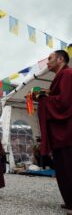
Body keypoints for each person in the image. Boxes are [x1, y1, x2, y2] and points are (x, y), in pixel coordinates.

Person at [35, 49, 72, 214]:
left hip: (67, 131)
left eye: (50, 58)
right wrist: (46, 95)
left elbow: (65, 102)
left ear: (61, 59)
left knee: (69, 167)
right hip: (60, 132)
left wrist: (44, 99)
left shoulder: (68, 74)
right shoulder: (59, 77)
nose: (47, 62)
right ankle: (70, 200)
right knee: (63, 168)